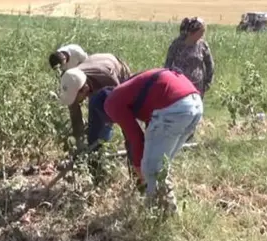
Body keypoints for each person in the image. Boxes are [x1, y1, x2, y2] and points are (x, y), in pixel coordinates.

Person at [90, 68, 203, 214]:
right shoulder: (129, 91)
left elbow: (136, 138)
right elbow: (150, 130)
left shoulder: (111, 104)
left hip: (175, 107)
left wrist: (138, 168)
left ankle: (158, 217)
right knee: (161, 165)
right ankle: (168, 213)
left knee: (151, 169)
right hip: (194, 103)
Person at [58, 53, 131, 184]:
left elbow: (124, 111)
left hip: (116, 69)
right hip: (97, 66)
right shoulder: (71, 80)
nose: (74, 101)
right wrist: (79, 145)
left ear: (84, 89)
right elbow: (75, 117)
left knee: (102, 119)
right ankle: (96, 155)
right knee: (94, 126)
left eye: (76, 98)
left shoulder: (107, 81)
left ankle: (101, 162)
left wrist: (132, 144)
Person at [164, 17, 215, 100]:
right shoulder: (177, 44)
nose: (203, 34)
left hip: (197, 86)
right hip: (179, 84)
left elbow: (210, 64)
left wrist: (208, 81)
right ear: (193, 31)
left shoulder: (203, 45)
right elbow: (168, 62)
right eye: (201, 31)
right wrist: (167, 80)